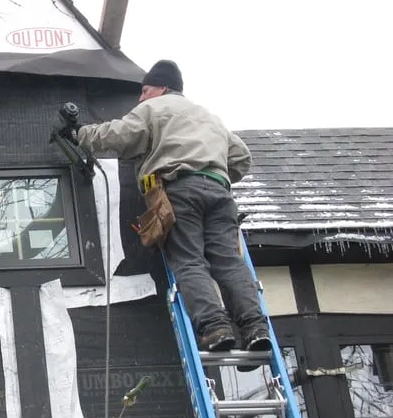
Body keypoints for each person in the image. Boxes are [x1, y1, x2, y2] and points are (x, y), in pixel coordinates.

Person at [65, 60, 269, 353]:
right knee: (228, 262)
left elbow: (118, 134)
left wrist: (80, 134)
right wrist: (216, 174)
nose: (141, 98)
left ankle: (215, 327)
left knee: (188, 260)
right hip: (220, 194)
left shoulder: (154, 108)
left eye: (145, 91)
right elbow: (241, 158)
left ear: (162, 88)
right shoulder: (209, 117)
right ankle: (255, 327)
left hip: (179, 190)